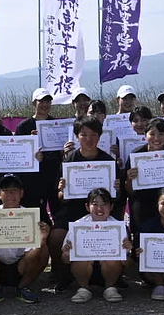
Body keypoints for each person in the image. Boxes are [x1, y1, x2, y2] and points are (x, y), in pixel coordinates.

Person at [49, 117, 122, 292]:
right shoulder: (69, 161)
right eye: (83, 135)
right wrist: (62, 190)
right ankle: (64, 275)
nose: (88, 139)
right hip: (74, 210)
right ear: (76, 137)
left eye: (93, 135)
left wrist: (116, 189)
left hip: (100, 210)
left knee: (115, 234)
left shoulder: (108, 161)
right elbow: (62, 198)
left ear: (100, 136)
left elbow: (116, 198)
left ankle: (114, 276)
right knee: (56, 237)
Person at [0, 174, 51, 305]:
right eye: (6, 191)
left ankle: (23, 287)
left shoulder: (30, 215)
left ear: (21, 193)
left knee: (43, 248)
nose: (10, 194)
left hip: (21, 265)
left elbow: (32, 253)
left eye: (14, 190)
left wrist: (42, 239)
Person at [61, 188, 132, 303]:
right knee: (81, 258)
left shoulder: (119, 227)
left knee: (112, 258)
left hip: (110, 271)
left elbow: (126, 263)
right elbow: (65, 260)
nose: (100, 208)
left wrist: (127, 251)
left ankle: (110, 288)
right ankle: (83, 289)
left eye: (104, 204)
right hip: (83, 271)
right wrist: (67, 252)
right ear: (87, 207)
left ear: (111, 207)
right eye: (95, 204)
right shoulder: (78, 226)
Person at [124, 118, 164, 244]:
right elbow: (129, 191)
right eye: (152, 134)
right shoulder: (136, 155)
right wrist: (129, 179)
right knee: (142, 236)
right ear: (145, 135)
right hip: (143, 203)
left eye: (161, 134)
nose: (156, 138)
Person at [14, 88, 61, 221]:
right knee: (37, 215)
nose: (45, 105)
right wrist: (30, 144)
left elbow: (62, 152)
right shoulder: (23, 126)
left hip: (54, 174)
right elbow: (18, 153)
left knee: (57, 212)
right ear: (33, 103)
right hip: (33, 178)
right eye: (41, 101)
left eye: (48, 101)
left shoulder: (56, 124)